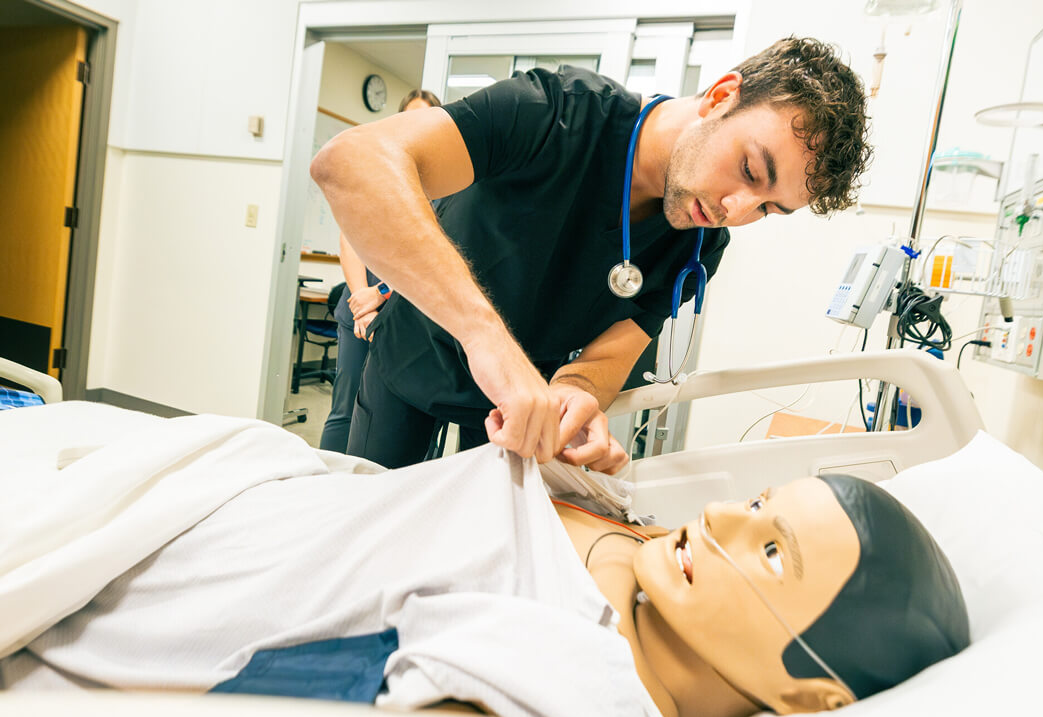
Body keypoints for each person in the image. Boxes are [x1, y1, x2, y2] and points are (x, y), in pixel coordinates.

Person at [0, 441, 969, 717]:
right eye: (755, 503)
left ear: (807, 692)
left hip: (159, 550)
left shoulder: (573, 676)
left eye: (768, 552)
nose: (719, 518)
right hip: (224, 475)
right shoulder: (639, 532)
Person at [310, 37, 872, 473]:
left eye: (770, 209)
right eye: (751, 170)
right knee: (372, 525)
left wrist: (576, 398)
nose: (736, 209)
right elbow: (350, 163)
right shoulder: (554, 113)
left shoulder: (699, 241)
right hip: (414, 355)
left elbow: (613, 353)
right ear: (721, 96)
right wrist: (486, 337)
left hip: (518, 404)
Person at [320, 89, 444, 453]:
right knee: (343, 409)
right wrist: (362, 299)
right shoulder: (376, 170)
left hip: (406, 316)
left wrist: (383, 294)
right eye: (408, 117)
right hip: (359, 310)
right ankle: (326, 493)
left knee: (406, 417)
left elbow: (433, 256)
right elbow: (350, 237)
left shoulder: (444, 183)